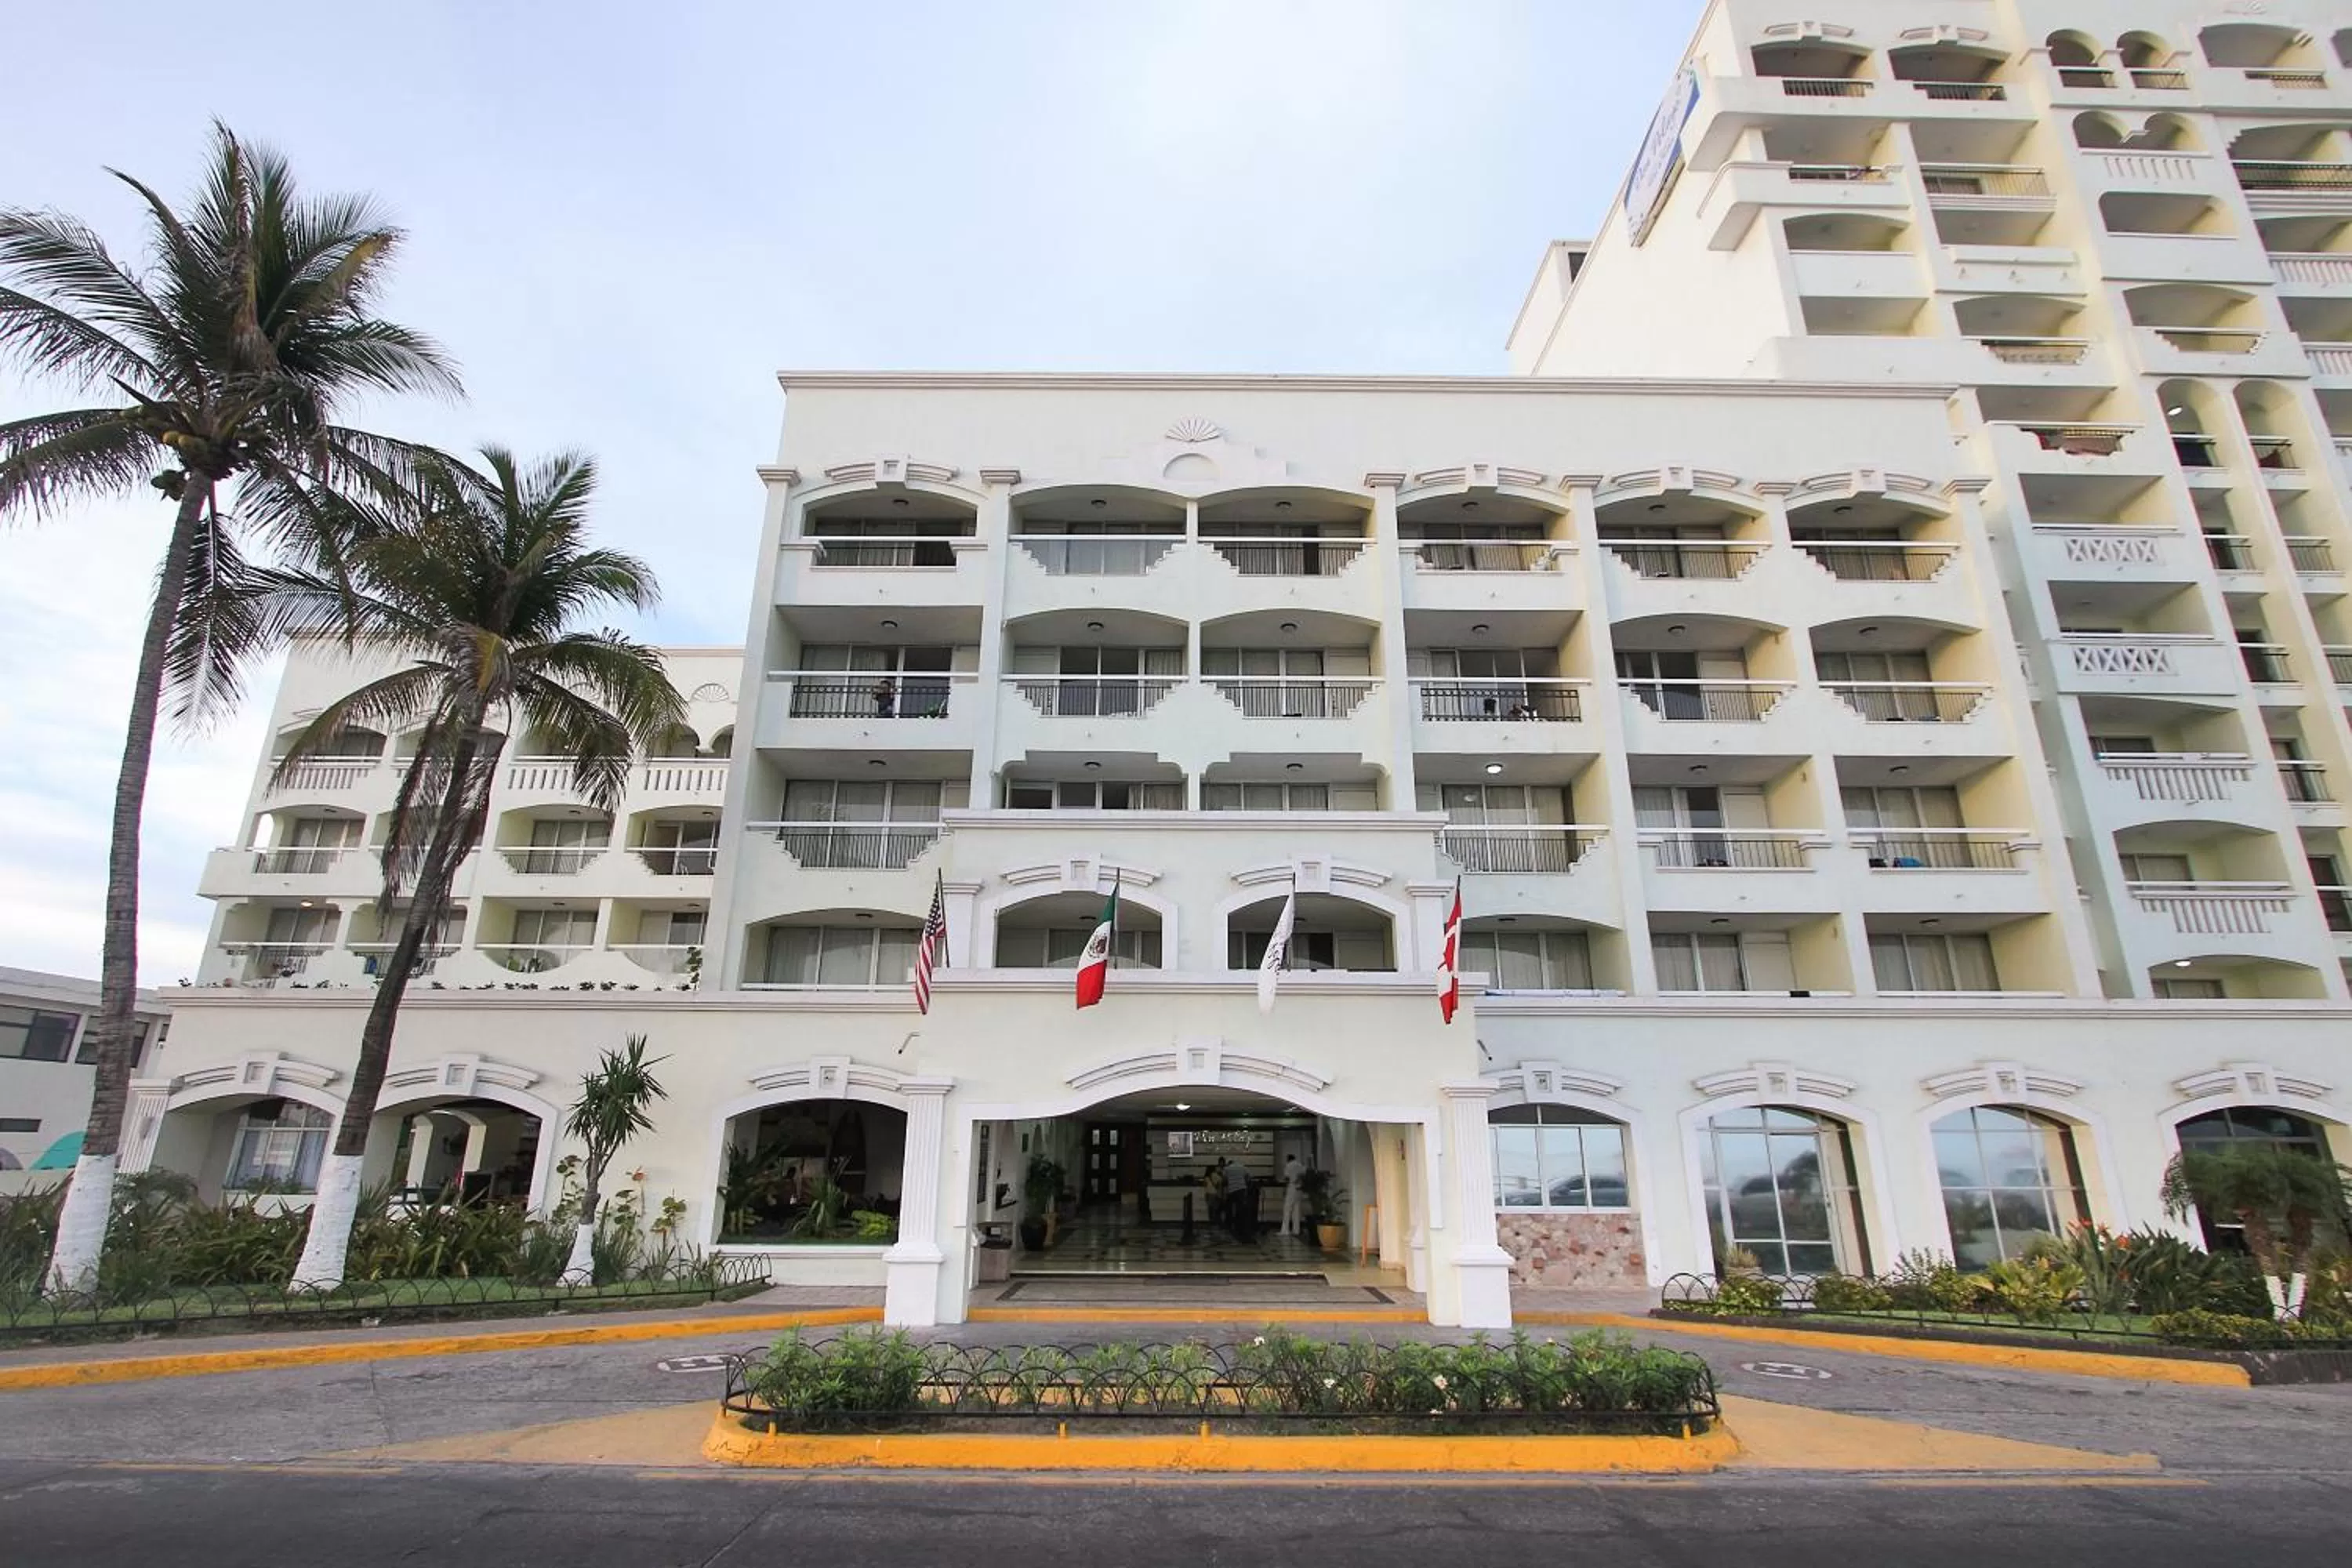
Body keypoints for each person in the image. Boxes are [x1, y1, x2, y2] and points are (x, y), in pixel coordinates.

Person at [1279, 1154, 1305, 1238]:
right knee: (1296, 1210)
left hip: (1292, 1187)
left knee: (1287, 1209)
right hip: (1300, 1189)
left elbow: (1287, 1178)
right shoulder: (1300, 1165)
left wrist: (1284, 1189)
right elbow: (1303, 1177)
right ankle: (1296, 1230)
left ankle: (1285, 1230)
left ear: (1288, 1159)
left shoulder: (1289, 1165)